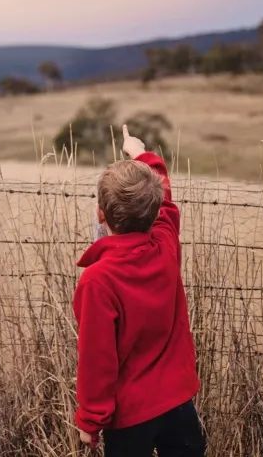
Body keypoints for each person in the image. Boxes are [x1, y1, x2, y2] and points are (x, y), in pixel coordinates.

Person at [73, 125, 204, 456]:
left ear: (101, 215)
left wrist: (90, 421)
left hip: (130, 416)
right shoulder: (165, 243)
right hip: (179, 402)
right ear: (156, 208)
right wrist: (142, 154)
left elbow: (96, 360)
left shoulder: (98, 280)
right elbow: (166, 198)